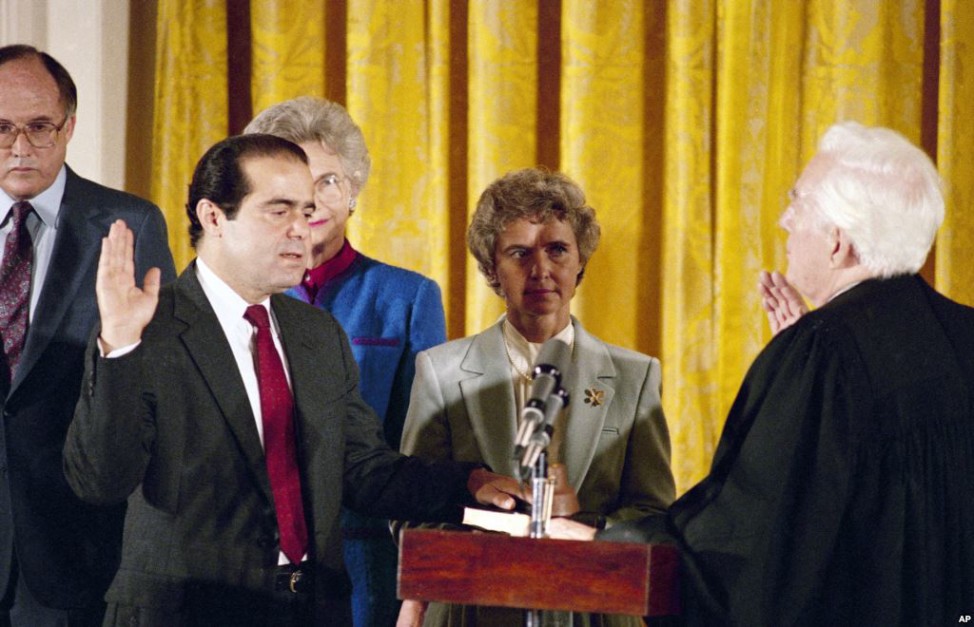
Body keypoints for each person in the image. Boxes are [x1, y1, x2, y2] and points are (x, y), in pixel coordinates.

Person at [62, 133, 523, 626]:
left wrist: (469, 482)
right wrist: (120, 346)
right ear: (213, 217)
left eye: (306, 212)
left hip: (314, 608)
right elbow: (100, 481)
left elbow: (362, 467)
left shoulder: (316, 334)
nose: (302, 230)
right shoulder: (145, 328)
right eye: (278, 211)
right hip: (188, 612)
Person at [554, 121, 974, 625]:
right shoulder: (961, 332)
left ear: (838, 241)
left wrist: (616, 542)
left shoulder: (823, 352)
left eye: (797, 203)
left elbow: (750, 546)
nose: (783, 221)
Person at [397, 168, 676, 627]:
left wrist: (582, 526)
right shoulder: (441, 371)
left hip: (595, 613)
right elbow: (408, 514)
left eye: (558, 250)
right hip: (473, 614)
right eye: (520, 253)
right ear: (492, 268)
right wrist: (496, 534)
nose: (541, 270)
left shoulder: (635, 375)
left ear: (580, 260)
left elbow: (654, 516)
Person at [243, 97, 447, 627]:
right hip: (245, 561)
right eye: (296, 182)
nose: (312, 200)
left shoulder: (407, 298)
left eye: (329, 180)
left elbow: (420, 451)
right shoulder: (235, 296)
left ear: (354, 189)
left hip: (364, 565)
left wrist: (418, 591)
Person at [0, 44, 175, 626]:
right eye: (0, 128)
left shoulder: (129, 223)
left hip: (72, 544)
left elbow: (159, 385)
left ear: (69, 125)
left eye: (39, 127)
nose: (19, 147)